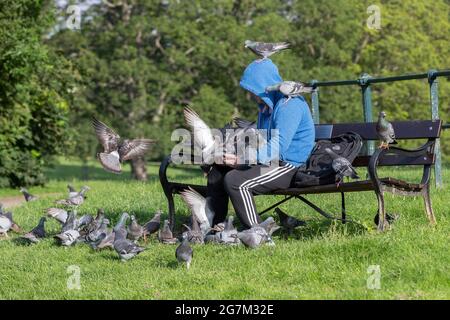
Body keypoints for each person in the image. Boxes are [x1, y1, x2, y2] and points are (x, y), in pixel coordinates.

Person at [207, 59, 315, 229]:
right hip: (271, 160)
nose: (251, 95)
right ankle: (216, 228)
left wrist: (242, 160)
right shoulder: (265, 107)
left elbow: (279, 145)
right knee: (218, 171)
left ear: (265, 86)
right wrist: (231, 153)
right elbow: (262, 140)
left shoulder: (290, 105)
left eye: (253, 90)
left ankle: (257, 232)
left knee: (236, 181)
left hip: (290, 165)